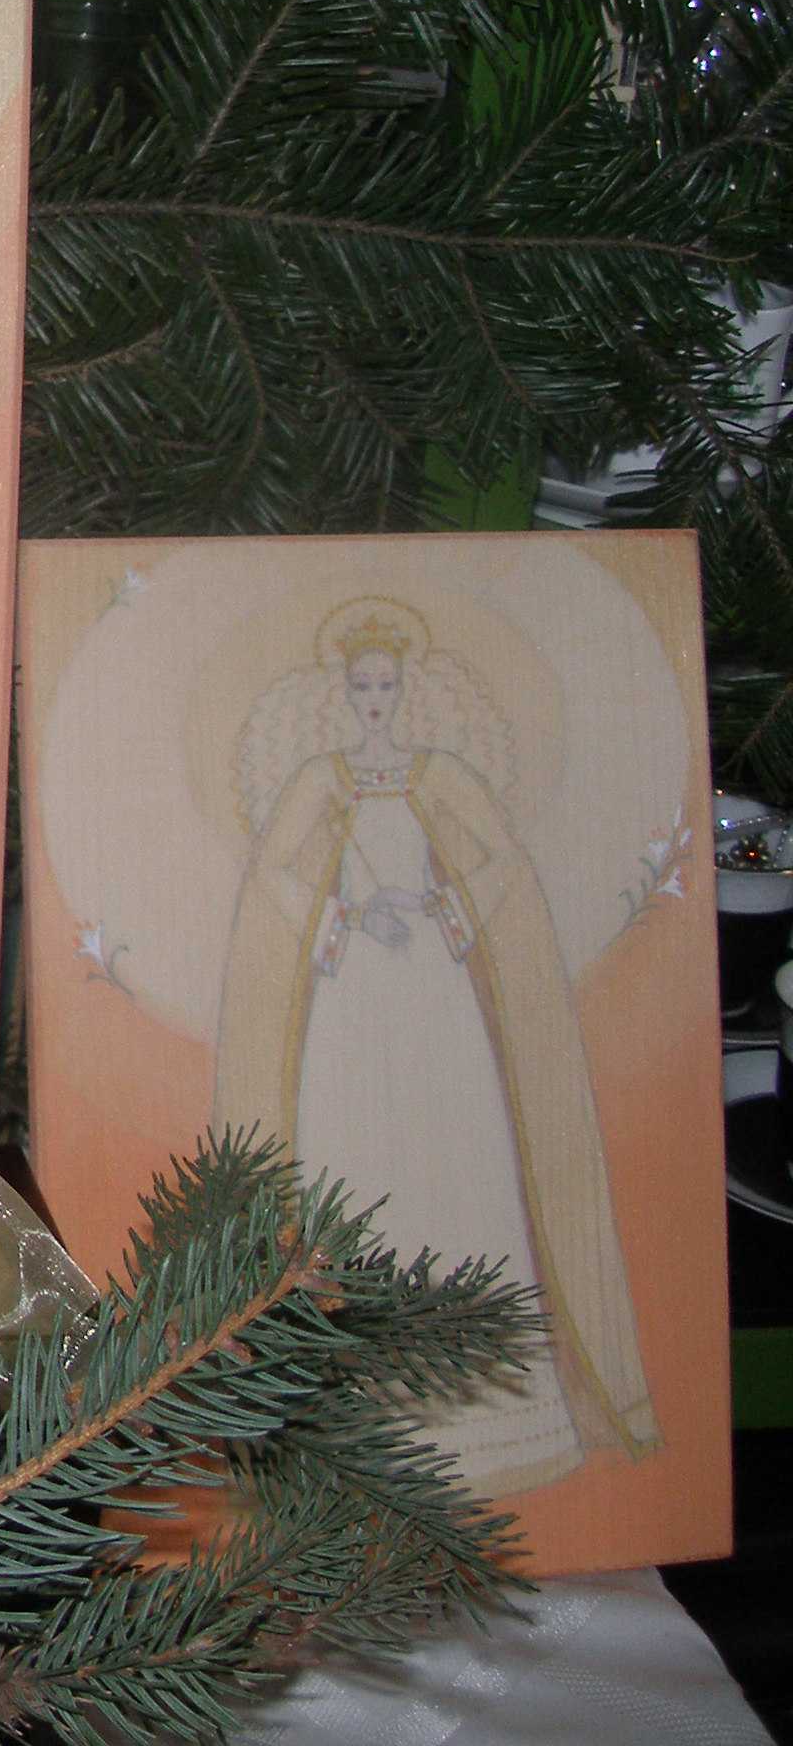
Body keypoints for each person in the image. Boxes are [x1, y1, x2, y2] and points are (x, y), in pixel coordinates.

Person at [215, 606, 657, 1489]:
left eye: (387, 684)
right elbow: (271, 872)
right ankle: (354, 1419)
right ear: (343, 692)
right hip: (350, 997)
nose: (375, 699)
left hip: (437, 992)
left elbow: (506, 861)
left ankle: (491, 1418)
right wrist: (344, 914)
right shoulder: (320, 778)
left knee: (458, 1151)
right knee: (359, 1158)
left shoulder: (442, 774)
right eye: (362, 686)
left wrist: (442, 907)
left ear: (405, 688)